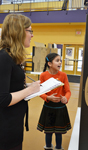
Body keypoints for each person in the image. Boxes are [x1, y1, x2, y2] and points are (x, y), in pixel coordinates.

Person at [0, 14, 40, 150]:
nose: (32, 35)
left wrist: (31, 86)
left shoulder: (13, 58)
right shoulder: (4, 58)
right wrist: (30, 90)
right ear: (18, 32)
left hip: (14, 125)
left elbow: (13, 86)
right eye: (30, 31)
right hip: (5, 130)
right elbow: (3, 99)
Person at [37, 53, 71, 150]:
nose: (60, 62)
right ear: (49, 63)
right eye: (57, 60)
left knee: (58, 131)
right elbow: (40, 92)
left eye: (60, 60)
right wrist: (48, 98)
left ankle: (58, 147)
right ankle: (48, 147)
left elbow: (68, 91)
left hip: (60, 108)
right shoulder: (43, 75)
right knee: (48, 131)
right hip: (48, 107)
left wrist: (66, 98)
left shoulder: (63, 75)